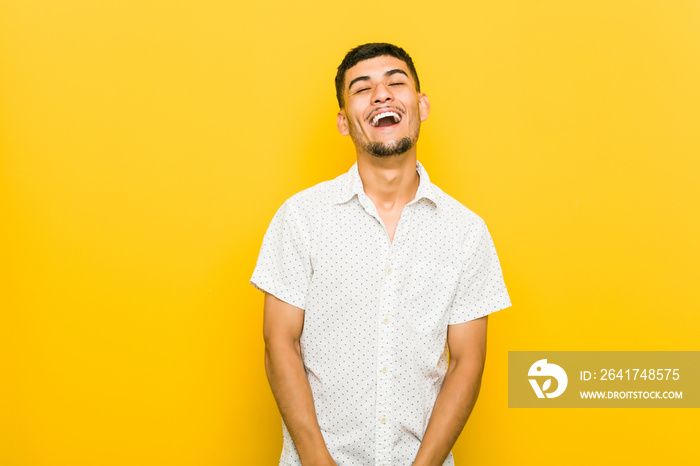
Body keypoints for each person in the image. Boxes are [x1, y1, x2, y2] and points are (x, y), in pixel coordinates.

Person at [251, 42, 511, 466]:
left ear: (421, 105)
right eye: (362, 88)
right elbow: (279, 340)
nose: (382, 95)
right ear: (343, 121)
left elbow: (468, 361)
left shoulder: (466, 232)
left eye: (396, 82)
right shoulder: (301, 217)